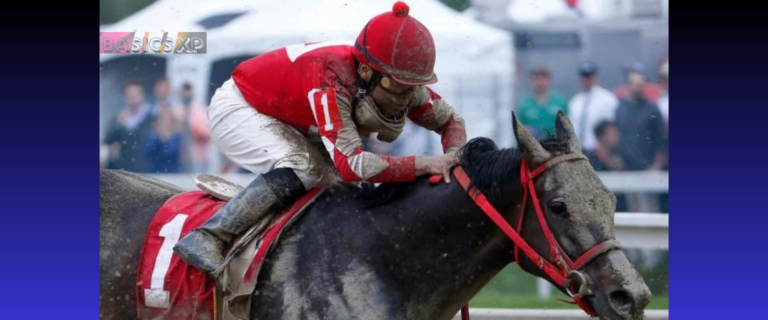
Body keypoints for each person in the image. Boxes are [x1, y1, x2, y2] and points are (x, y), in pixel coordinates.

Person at [174, 2, 468, 280]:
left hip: (291, 117)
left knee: (343, 190)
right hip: (240, 107)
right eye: (400, 88)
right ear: (366, 71)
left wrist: (454, 160)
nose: (408, 98)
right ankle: (209, 236)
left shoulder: (394, 80)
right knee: (306, 169)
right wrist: (426, 163)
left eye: (415, 88)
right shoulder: (332, 81)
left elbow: (452, 122)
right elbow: (354, 164)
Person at [615, 71, 665, 171]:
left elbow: (660, 138)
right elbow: (616, 136)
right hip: (624, 167)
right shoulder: (620, 108)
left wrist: (657, 165)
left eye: (640, 84)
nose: (637, 88)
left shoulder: (652, 109)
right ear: (627, 85)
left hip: (647, 165)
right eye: (634, 84)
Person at [103, 81, 155, 172]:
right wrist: (119, 125)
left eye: (136, 94)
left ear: (143, 96)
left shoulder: (152, 118)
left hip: (146, 169)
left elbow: (148, 142)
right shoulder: (118, 119)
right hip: (123, 169)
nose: (133, 97)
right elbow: (107, 140)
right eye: (129, 94)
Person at [567, 61, 618, 152]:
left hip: (598, 151)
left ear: (596, 77)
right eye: (584, 76)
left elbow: (611, 128)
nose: (587, 79)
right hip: (579, 151)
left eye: (590, 76)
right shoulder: (575, 102)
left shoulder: (608, 99)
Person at [517, 66, 568, 138]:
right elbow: (519, 131)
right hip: (533, 146)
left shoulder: (560, 102)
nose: (540, 83)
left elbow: (568, 128)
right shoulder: (525, 105)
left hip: (556, 146)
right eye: (536, 79)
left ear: (549, 80)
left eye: (543, 79)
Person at [177, 83, 215, 173]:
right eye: (184, 91)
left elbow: (208, 134)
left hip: (199, 157)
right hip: (178, 156)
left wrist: (195, 130)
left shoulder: (202, 111)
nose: (187, 94)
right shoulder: (175, 110)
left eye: (189, 91)